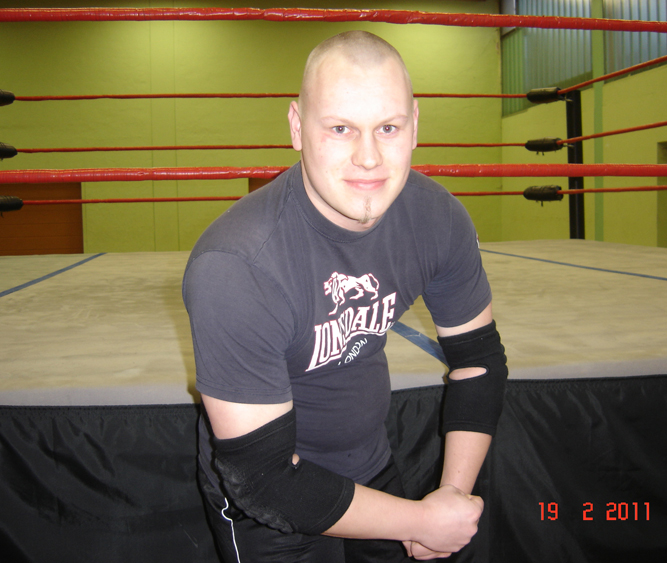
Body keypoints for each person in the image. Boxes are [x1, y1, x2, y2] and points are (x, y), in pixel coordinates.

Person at [182, 30, 507, 562]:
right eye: (340, 128)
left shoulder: (437, 218)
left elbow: (479, 361)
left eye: (388, 128)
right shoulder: (236, 267)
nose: (369, 158)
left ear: (415, 125)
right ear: (296, 127)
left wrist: (450, 495)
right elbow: (263, 479)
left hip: (369, 467)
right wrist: (420, 521)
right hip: (266, 502)